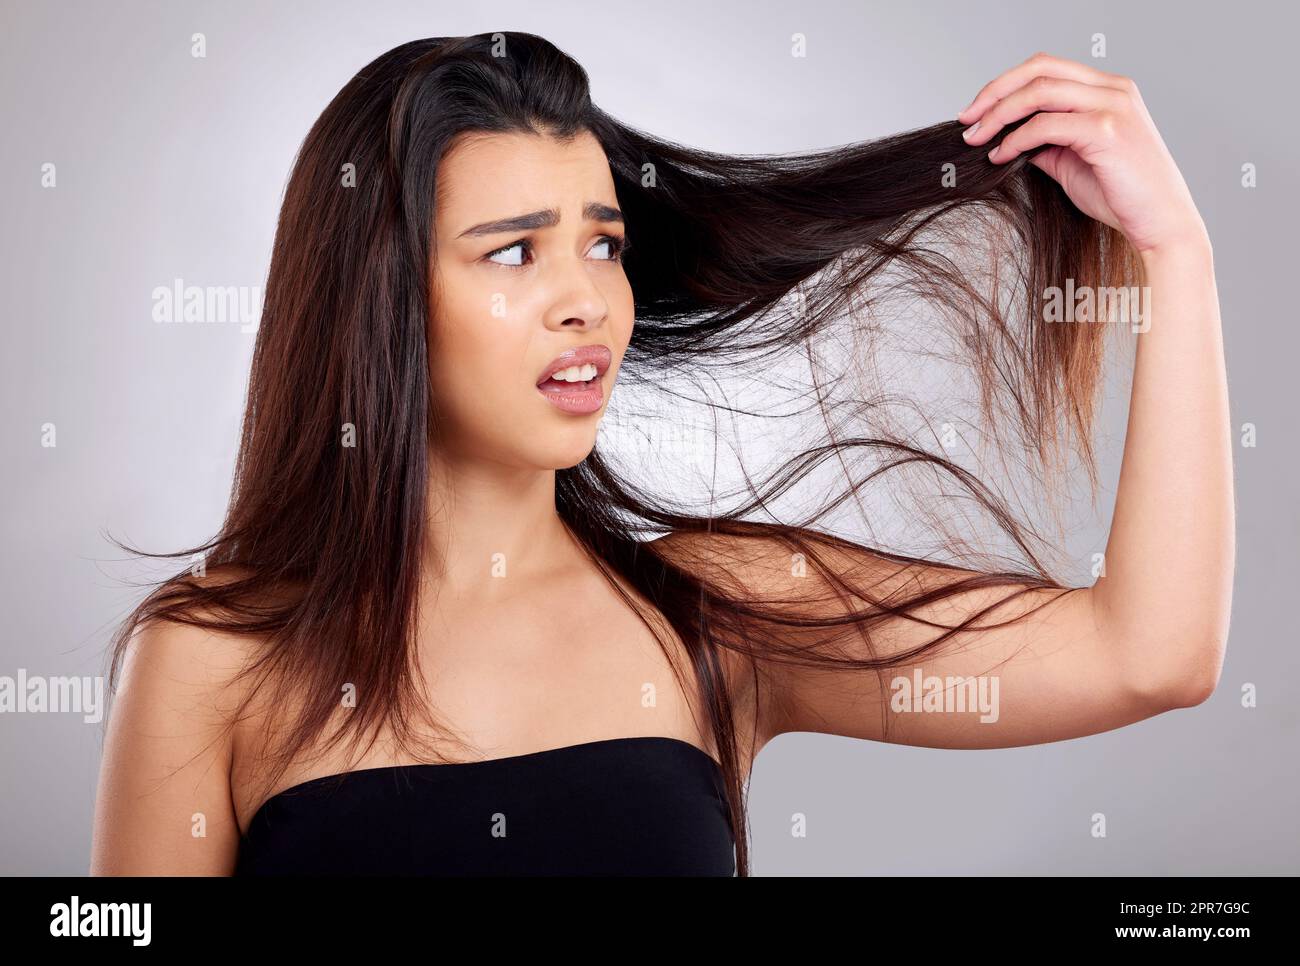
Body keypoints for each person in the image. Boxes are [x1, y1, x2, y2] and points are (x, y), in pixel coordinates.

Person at [89, 34, 1231, 876]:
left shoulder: (710, 615)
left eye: (603, 243)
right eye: (513, 253)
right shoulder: (212, 660)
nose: (587, 299)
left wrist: (1175, 252)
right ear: (380, 300)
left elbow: (1147, 654)